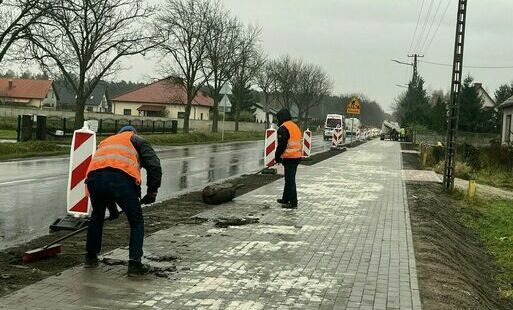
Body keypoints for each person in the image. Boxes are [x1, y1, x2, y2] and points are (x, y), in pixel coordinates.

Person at [84, 126, 162, 276]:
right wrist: (152, 191)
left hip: (93, 179)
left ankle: (90, 257)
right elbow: (154, 165)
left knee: (97, 216)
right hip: (121, 180)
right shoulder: (137, 140)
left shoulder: (106, 141)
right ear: (133, 132)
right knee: (136, 221)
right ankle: (134, 264)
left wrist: (113, 210)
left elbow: (104, 175)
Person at [275, 108, 302, 209]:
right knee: (288, 179)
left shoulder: (283, 128)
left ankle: (293, 202)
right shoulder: (294, 126)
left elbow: (282, 145)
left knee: (290, 180)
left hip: (289, 157)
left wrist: (277, 157)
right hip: (297, 156)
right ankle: (285, 198)